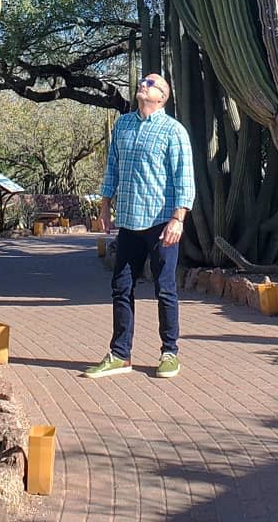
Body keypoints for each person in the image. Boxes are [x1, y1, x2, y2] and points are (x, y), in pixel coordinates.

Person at [83, 73, 195, 380]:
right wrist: (105, 206)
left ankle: (169, 352)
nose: (143, 85)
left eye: (151, 83)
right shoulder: (123, 125)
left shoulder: (174, 131)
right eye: (143, 82)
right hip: (129, 223)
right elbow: (112, 168)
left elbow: (184, 178)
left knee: (165, 288)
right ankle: (120, 354)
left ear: (162, 97)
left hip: (161, 224)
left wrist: (178, 218)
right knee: (121, 287)